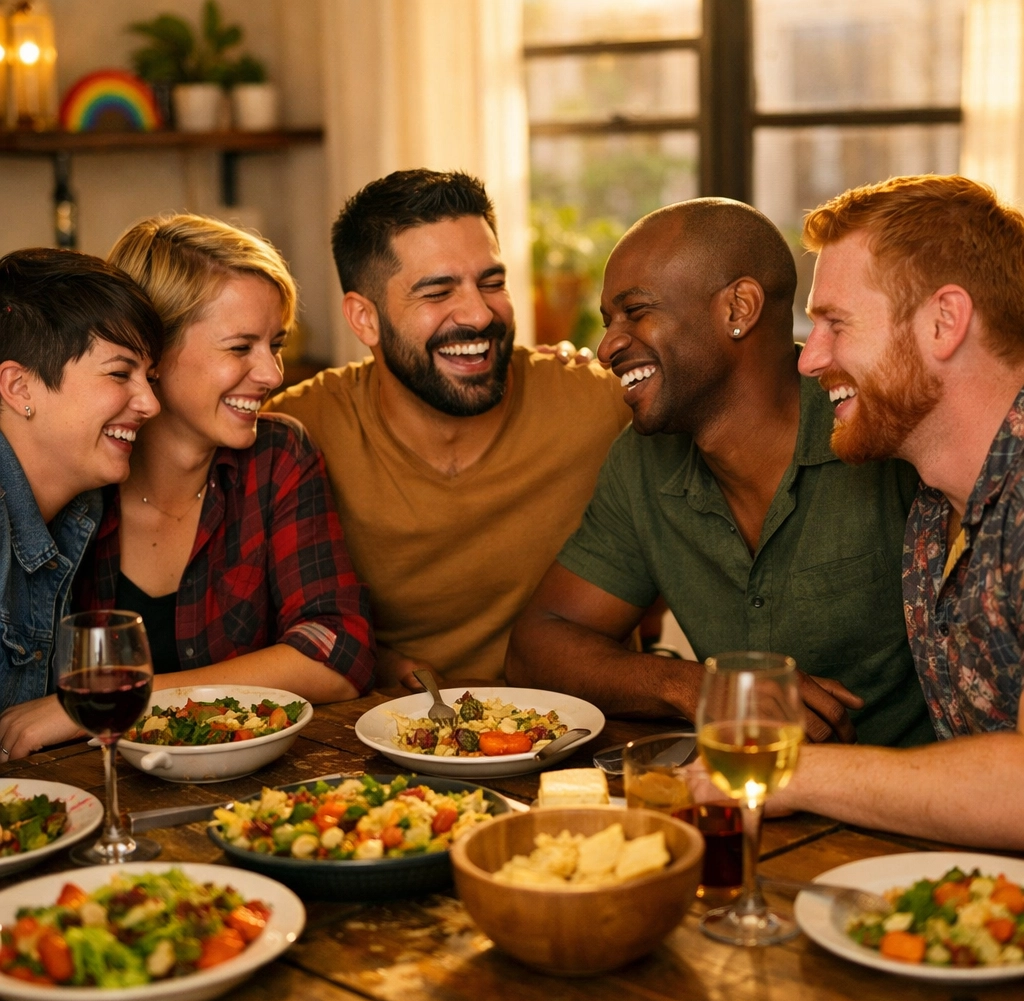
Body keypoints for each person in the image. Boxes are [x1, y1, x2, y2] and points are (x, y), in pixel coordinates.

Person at [507, 198, 934, 747]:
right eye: (610, 320)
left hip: (912, 821)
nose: (606, 344)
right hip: (745, 800)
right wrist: (701, 688)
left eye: (635, 311)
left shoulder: (879, 427)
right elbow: (536, 646)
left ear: (739, 309)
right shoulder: (642, 462)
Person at [0, 215, 375, 761]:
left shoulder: (275, 456)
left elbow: (338, 652)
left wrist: (120, 699)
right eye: (240, 346)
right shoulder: (77, 475)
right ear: (156, 347)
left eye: (276, 344)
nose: (272, 374)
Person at [267, 169, 630, 690]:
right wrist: (373, 657)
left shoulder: (598, 404)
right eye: (437, 292)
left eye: (492, 283)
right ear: (364, 319)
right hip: (381, 746)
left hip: (585, 743)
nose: (480, 315)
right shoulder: (299, 431)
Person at [775, 174, 1024, 848]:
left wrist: (782, 774)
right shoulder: (929, 513)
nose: (811, 359)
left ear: (945, 321)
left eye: (834, 323)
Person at [0, 248, 162, 739]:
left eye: (150, 378)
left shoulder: (84, 505)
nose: (151, 404)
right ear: (19, 386)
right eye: (120, 373)